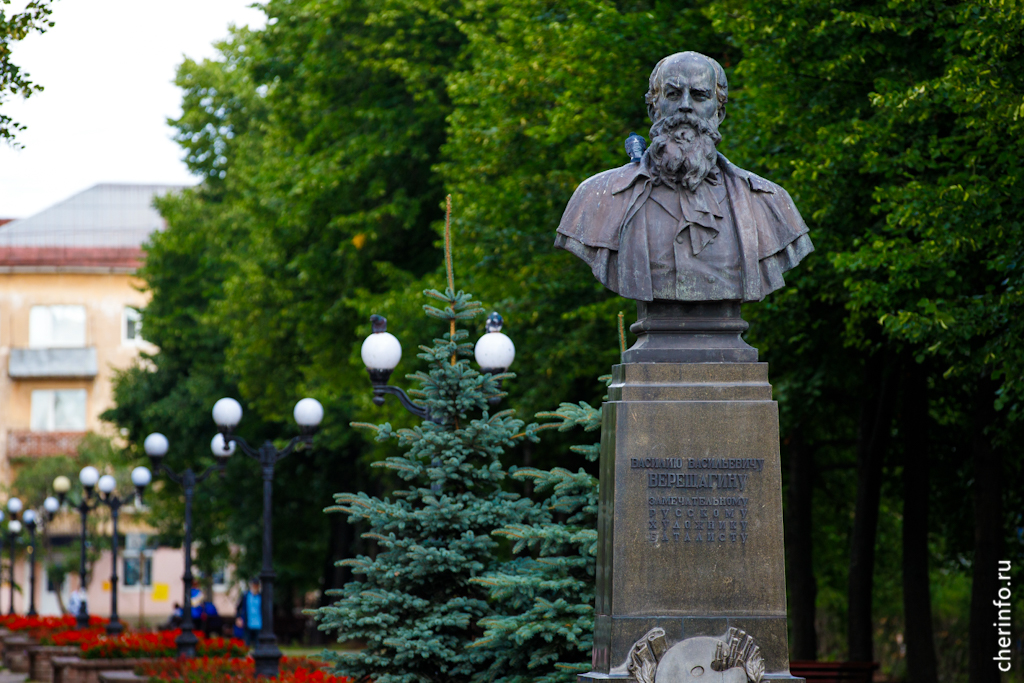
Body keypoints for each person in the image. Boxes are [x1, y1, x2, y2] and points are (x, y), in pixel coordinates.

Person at [555, 51, 813, 304]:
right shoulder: (596, 197)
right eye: (673, 94)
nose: (686, 106)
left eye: (700, 95)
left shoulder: (770, 202)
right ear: (654, 109)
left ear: (719, 113)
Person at [235, 578, 262, 647]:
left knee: (258, 644)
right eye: (254, 585)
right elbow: (238, 607)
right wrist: (238, 617)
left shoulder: (261, 596)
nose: (255, 587)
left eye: (256, 586)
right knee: (246, 643)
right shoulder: (245, 595)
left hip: (258, 623)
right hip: (247, 623)